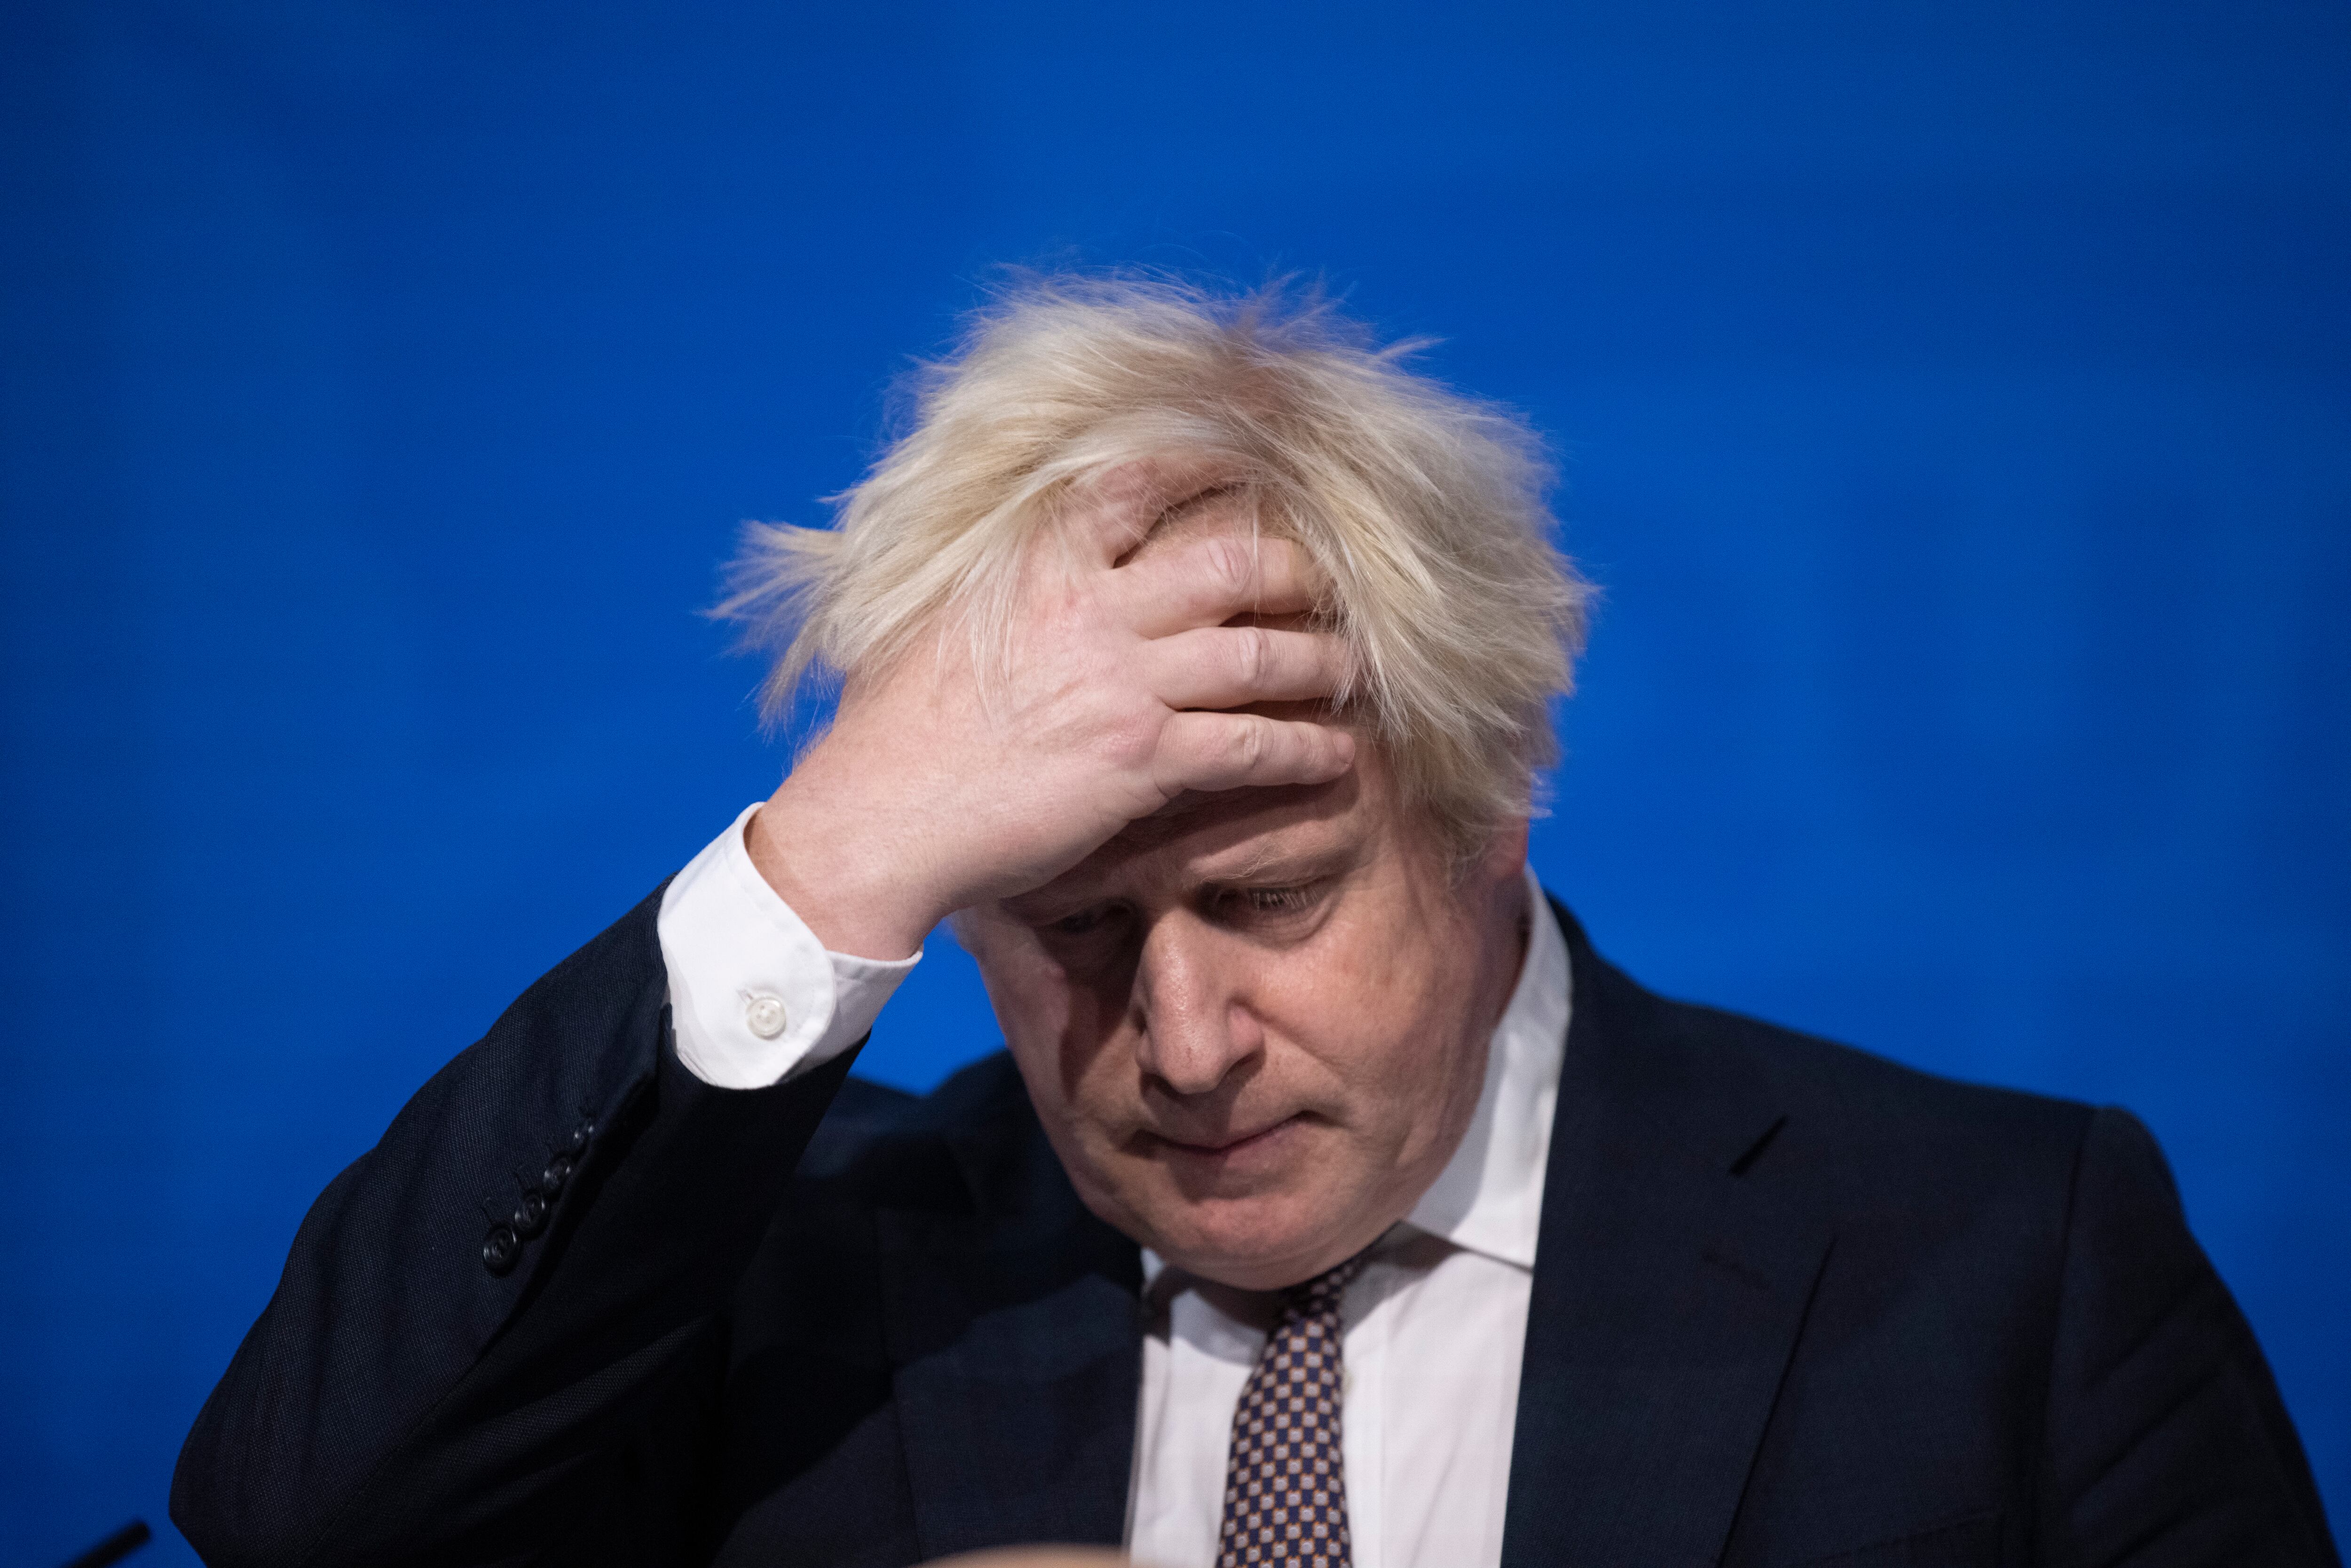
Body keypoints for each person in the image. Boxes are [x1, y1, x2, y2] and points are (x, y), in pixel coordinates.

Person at [172, 278, 2337, 1568]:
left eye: (1272, 896)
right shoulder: (774, 1279)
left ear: (1487, 811)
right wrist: (834, 847)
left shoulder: (2000, 1263)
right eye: (1064, 925)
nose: (1182, 1040)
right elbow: (308, 1522)